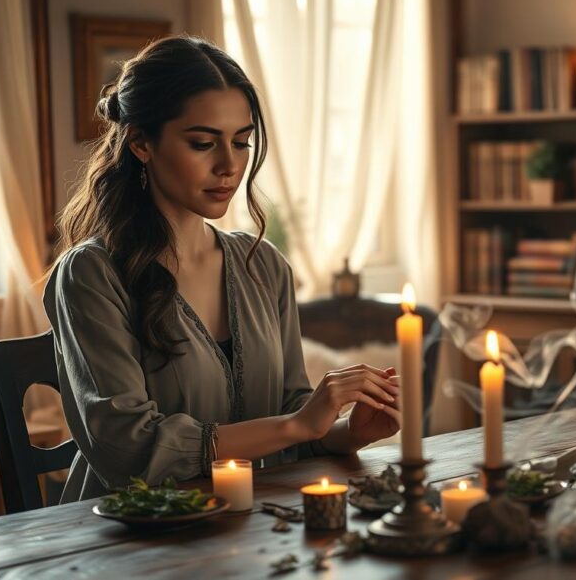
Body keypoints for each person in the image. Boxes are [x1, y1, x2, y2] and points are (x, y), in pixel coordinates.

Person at [45, 36, 400, 503]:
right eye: (202, 143)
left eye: (241, 142)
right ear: (140, 143)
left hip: (253, 525)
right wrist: (298, 423)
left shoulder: (264, 266)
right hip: (131, 535)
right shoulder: (91, 274)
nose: (229, 166)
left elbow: (292, 417)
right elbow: (130, 453)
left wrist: (344, 431)